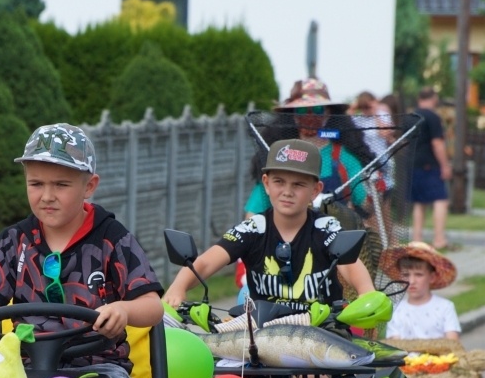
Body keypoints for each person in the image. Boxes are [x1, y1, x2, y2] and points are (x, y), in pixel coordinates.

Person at [0, 122, 164, 378]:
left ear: (89, 186)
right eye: (36, 184)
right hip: (19, 370)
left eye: (61, 185)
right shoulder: (13, 241)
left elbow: (153, 307)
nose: (47, 196)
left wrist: (123, 309)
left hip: (98, 372)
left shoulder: (112, 238)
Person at [164, 138, 375, 309]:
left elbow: (350, 266)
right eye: (279, 181)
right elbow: (205, 262)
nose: (287, 191)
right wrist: (177, 288)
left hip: (322, 335)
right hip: (263, 338)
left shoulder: (326, 227)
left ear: (315, 190)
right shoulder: (252, 228)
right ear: (266, 183)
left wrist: (368, 294)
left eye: (299, 184)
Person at [244, 79, 369, 214]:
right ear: (294, 115)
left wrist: (376, 190)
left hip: (335, 233)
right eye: (303, 110)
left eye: (317, 109)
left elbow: (366, 203)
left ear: (328, 113)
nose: (310, 116)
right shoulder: (281, 156)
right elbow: (253, 212)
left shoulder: (344, 158)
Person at [380, 242, 461, 341]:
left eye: (418, 275)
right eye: (406, 275)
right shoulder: (396, 309)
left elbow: (452, 342)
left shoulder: (445, 307)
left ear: (431, 277)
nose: (412, 281)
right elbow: (395, 345)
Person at [407, 87, 453, 251]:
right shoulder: (432, 117)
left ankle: (416, 239)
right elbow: (437, 143)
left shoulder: (410, 116)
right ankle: (439, 239)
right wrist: (445, 165)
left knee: (419, 203)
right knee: (441, 200)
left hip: (412, 164)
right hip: (429, 164)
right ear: (433, 98)